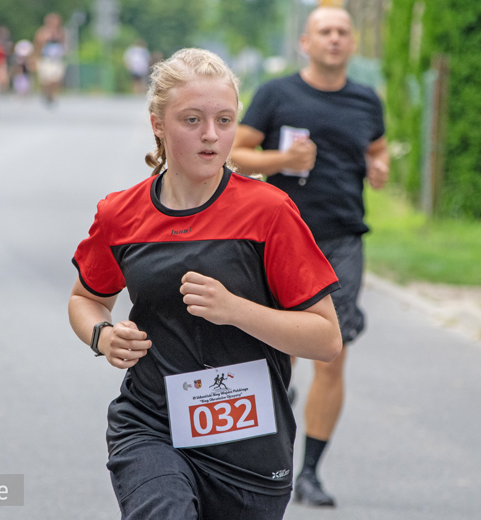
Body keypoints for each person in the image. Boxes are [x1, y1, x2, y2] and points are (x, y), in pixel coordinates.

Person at [68, 48, 343, 520]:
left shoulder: (269, 212)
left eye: (224, 119)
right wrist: (103, 335)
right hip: (152, 425)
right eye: (192, 119)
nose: (211, 135)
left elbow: (326, 338)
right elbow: (86, 299)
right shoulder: (121, 213)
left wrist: (236, 309)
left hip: (249, 447)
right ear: (158, 123)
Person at [229, 6, 390, 508]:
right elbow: (235, 151)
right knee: (279, 349)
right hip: (282, 238)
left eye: (343, 32)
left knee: (332, 353)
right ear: (306, 41)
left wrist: (379, 166)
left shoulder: (367, 100)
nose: (335, 39)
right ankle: (265, 454)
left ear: (353, 43)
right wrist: (281, 161)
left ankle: (311, 474)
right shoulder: (278, 94)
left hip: (342, 239)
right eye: (326, 31)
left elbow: (377, 150)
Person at [33, 12, 65, 106]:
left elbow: (65, 45)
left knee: (56, 79)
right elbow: (37, 45)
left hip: (56, 59)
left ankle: (52, 94)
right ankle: (46, 93)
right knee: (45, 80)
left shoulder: (60, 32)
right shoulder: (42, 32)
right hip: (45, 59)